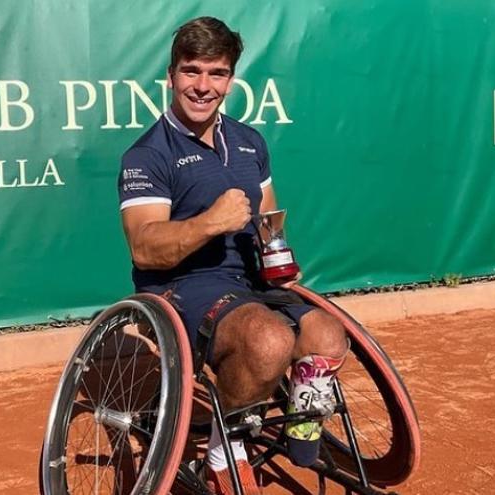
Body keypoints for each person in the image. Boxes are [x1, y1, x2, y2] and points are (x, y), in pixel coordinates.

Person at [117, 17, 349, 495]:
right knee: (267, 342)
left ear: (230, 79)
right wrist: (209, 223)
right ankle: (226, 451)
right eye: (192, 71)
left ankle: (300, 424)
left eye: (216, 73)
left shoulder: (248, 141)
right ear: (171, 75)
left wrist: (278, 252)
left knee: (329, 334)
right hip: (183, 286)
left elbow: (267, 216)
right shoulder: (147, 155)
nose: (203, 86)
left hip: (248, 280)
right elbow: (144, 246)